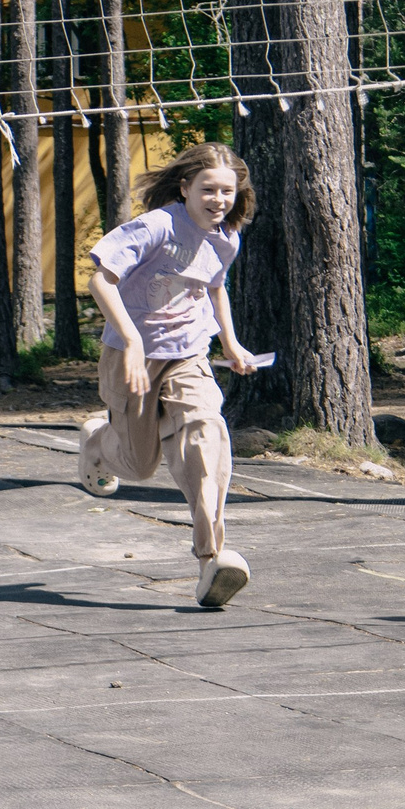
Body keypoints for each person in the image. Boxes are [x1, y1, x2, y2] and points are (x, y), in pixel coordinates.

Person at [79, 142, 259, 609]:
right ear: (185, 188)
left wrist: (230, 342)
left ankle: (211, 560)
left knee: (206, 434)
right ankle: (97, 442)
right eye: (209, 189)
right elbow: (100, 279)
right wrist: (132, 340)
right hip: (130, 355)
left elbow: (214, 288)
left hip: (188, 354)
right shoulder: (157, 226)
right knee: (139, 466)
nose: (219, 200)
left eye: (227, 191)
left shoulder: (226, 238)